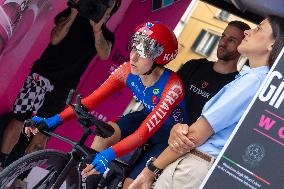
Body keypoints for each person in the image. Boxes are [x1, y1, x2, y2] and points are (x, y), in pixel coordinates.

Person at [25, 21, 189, 189]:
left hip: (167, 136)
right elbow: (89, 102)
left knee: (132, 185)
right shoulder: (126, 70)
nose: (133, 57)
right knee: (103, 137)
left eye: (143, 52)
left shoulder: (172, 87)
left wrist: (108, 155)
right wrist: (50, 121)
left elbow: (141, 135)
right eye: (134, 47)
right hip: (145, 118)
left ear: (160, 58)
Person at [129, 15, 284, 189]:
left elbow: (196, 135)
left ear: (273, 44)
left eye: (258, 29)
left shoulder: (254, 80)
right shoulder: (260, 81)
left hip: (194, 166)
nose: (248, 32)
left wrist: (150, 170)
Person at [0, 0, 121, 186]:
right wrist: (74, 12)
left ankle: (21, 179)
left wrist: (97, 29)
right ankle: (1, 167)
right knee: (19, 120)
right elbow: (55, 38)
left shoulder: (106, 35)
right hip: (41, 75)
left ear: (111, 11)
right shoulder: (69, 14)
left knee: (42, 134)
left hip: (64, 87)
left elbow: (104, 54)